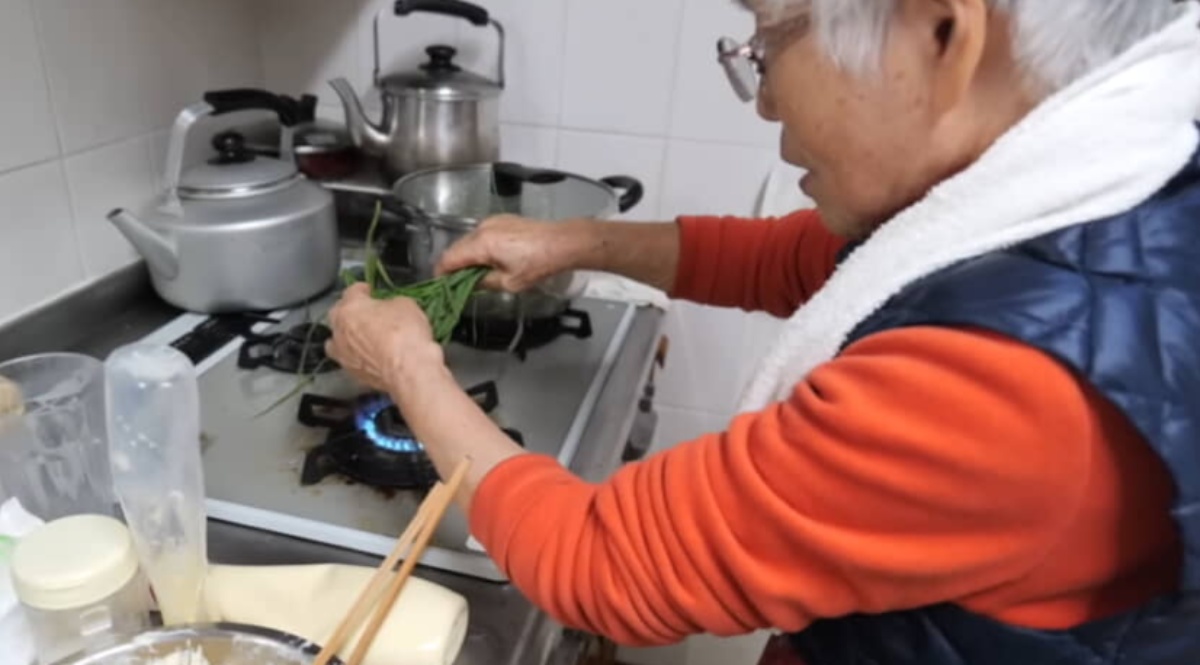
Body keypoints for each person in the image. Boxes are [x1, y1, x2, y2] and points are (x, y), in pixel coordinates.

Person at [325, 0, 1200, 663]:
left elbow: (598, 563)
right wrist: (574, 241)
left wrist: (406, 365)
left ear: (942, 31)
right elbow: (802, 262)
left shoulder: (1005, 393)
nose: (763, 98)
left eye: (770, 39)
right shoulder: (1114, 188)